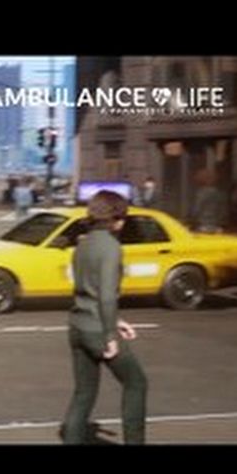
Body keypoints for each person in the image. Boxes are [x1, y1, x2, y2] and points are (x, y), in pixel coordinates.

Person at [62, 190, 148, 445]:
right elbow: (107, 294)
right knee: (136, 383)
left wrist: (117, 321)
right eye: (123, 218)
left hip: (77, 326)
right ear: (117, 220)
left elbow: (87, 289)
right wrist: (110, 334)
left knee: (84, 393)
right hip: (98, 330)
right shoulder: (111, 248)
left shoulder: (82, 245)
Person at [191, 168, 227, 233]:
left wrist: (192, 219)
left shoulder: (202, 193)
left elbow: (196, 210)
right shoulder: (219, 193)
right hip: (217, 227)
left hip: (203, 226)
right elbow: (223, 211)